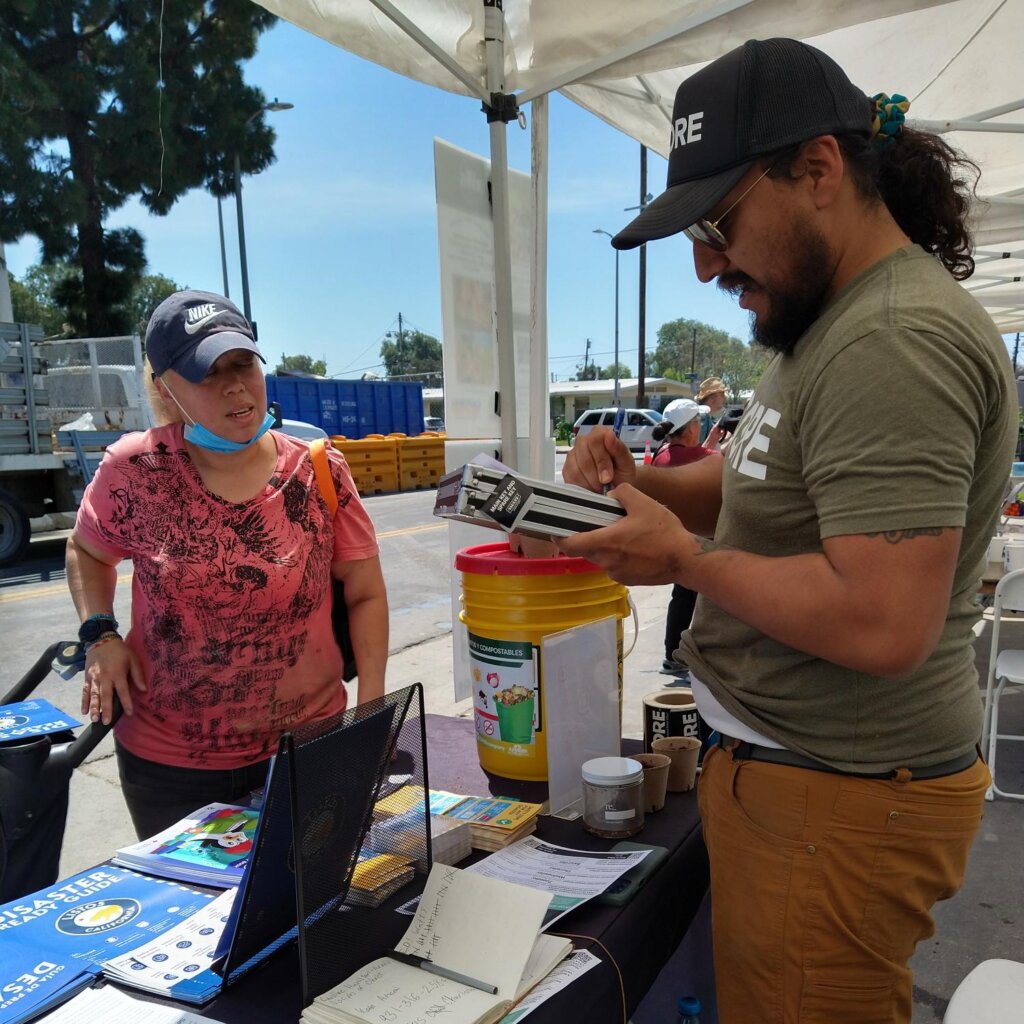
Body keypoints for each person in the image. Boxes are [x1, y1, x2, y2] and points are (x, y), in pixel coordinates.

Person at [560, 37, 1017, 1024]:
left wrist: (681, 560)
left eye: (719, 223)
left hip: (836, 795)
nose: (703, 263)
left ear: (816, 170)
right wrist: (646, 480)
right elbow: (761, 484)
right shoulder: (836, 319)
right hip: (804, 782)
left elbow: (880, 620)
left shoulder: (892, 337)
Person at [66, 290, 389, 839]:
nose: (234, 386)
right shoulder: (136, 470)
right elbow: (86, 551)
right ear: (165, 388)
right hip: (170, 770)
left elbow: (364, 593)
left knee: (308, 913)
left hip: (306, 750)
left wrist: (370, 716)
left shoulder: (318, 471)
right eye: (207, 373)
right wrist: (100, 635)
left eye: (243, 364)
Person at [649, 399, 721, 675]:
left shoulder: (663, 455)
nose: (701, 428)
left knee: (683, 596)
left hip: (673, 539)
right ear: (690, 429)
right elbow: (719, 464)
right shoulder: (701, 457)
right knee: (712, 597)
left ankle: (673, 654)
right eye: (698, 424)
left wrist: (711, 441)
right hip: (698, 541)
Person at [695, 376, 728, 445]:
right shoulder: (702, 417)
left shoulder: (709, 418)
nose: (725, 397)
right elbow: (699, 449)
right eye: (722, 395)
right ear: (712, 398)